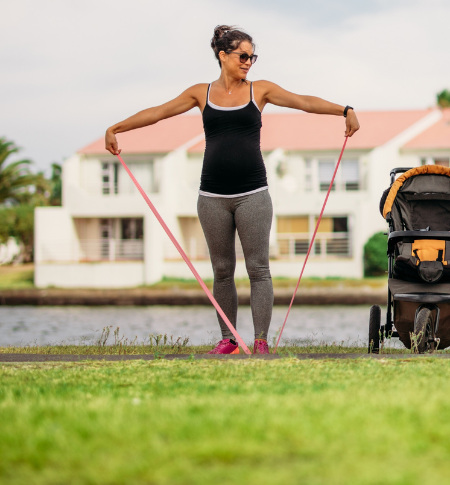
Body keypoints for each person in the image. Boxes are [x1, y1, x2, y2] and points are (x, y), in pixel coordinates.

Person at [104, 25, 359, 354]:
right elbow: (158, 113)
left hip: (253, 194)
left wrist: (345, 109)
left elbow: (303, 102)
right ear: (222, 56)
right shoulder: (201, 93)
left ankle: (261, 341)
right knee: (222, 270)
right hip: (211, 198)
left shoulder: (260, 90)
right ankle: (228, 340)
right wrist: (116, 128)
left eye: (252, 56)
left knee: (258, 268)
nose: (248, 62)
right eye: (243, 55)